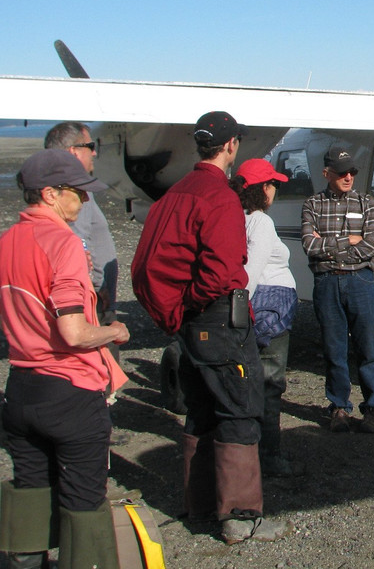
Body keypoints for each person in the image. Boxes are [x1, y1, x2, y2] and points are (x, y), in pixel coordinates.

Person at [131, 111, 287, 545]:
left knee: (200, 409)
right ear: (232, 145)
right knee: (240, 409)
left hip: (191, 322)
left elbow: (144, 265)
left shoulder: (176, 193)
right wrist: (198, 303)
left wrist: (175, 312)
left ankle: (199, 505)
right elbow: (222, 274)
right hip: (219, 318)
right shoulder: (219, 197)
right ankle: (240, 516)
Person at [0, 149, 130, 569]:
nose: (85, 201)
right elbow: (72, 333)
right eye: (78, 193)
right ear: (50, 194)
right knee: (84, 502)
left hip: (21, 387)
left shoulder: (6, 241)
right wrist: (114, 331)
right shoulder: (64, 242)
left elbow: (4, 318)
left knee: (30, 493)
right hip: (70, 391)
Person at [301, 143, 374, 434]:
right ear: (327, 173)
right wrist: (348, 241)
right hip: (327, 283)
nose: (348, 177)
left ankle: (372, 408)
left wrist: (329, 247)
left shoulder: (367, 203)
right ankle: (339, 408)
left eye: (351, 172)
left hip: (360, 281)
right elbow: (308, 246)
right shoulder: (312, 204)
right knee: (334, 349)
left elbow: (372, 244)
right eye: (341, 173)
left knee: (367, 347)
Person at [231, 158, 301, 477]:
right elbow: (251, 272)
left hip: (257, 306)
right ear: (261, 189)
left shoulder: (235, 217)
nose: (275, 190)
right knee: (270, 384)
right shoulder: (260, 221)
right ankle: (270, 456)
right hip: (269, 309)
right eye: (271, 184)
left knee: (249, 383)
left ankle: (250, 451)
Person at [44, 122, 120, 359]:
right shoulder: (71, 193)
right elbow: (76, 241)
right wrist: (95, 288)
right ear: (73, 152)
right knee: (98, 367)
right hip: (89, 302)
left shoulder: (69, 188)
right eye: (90, 146)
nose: (94, 152)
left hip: (92, 298)